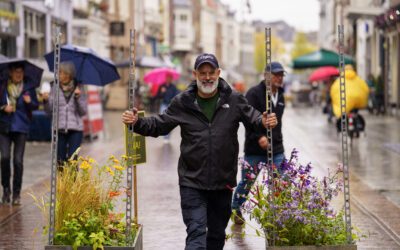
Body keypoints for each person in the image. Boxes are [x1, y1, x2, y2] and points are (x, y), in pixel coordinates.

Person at [122, 53, 277, 250]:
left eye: (211, 72)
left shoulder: (234, 99)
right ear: (194, 74)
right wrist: (136, 123)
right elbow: (159, 125)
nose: (207, 77)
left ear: (218, 73)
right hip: (192, 182)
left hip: (223, 182)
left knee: (216, 236)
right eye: (202, 73)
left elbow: (254, 118)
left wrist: (264, 121)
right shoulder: (183, 102)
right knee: (196, 233)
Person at [232, 62, 286, 225]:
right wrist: (259, 137)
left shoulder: (281, 95)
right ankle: (236, 209)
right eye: (276, 74)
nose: (279, 78)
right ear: (266, 75)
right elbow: (248, 120)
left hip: (276, 148)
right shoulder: (254, 93)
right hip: (255, 148)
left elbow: (278, 122)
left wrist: (275, 140)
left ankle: (278, 212)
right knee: (247, 182)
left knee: (281, 181)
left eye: (281, 75)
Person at [0, 62, 39, 205]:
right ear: (10, 72)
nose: (18, 74)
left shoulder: (28, 87)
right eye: (16, 71)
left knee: (18, 161)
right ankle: (6, 190)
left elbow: (35, 105)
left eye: (21, 72)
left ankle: (16, 193)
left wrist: (29, 102)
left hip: (21, 127)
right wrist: (3, 107)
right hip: (4, 127)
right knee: (4, 158)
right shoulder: (2, 86)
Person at [42, 61, 87, 164]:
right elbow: (49, 112)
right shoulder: (53, 87)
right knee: (60, 160)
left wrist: (78, 97)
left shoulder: (79, 87)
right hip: (59, 128)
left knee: (73, 160)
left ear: (69, 74)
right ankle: (61, 180)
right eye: (58, 72)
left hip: (76, 129)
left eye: (62, 72)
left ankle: (72, 181)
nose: (59, 75)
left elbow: (83, 111)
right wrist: (45, 100)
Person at [155, 73, 179, 142]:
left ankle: (168, 135)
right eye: (167, 77)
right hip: (163, 105)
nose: (169, 79)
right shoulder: (162, 86)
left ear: (171, 79)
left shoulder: (173, 87)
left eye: (170, 78)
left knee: (170, 121)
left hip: (170, 106)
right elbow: (158, 96)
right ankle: (165, 136)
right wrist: (162, 92)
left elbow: (176, 96)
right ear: (165, 78)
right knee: (163, 121)